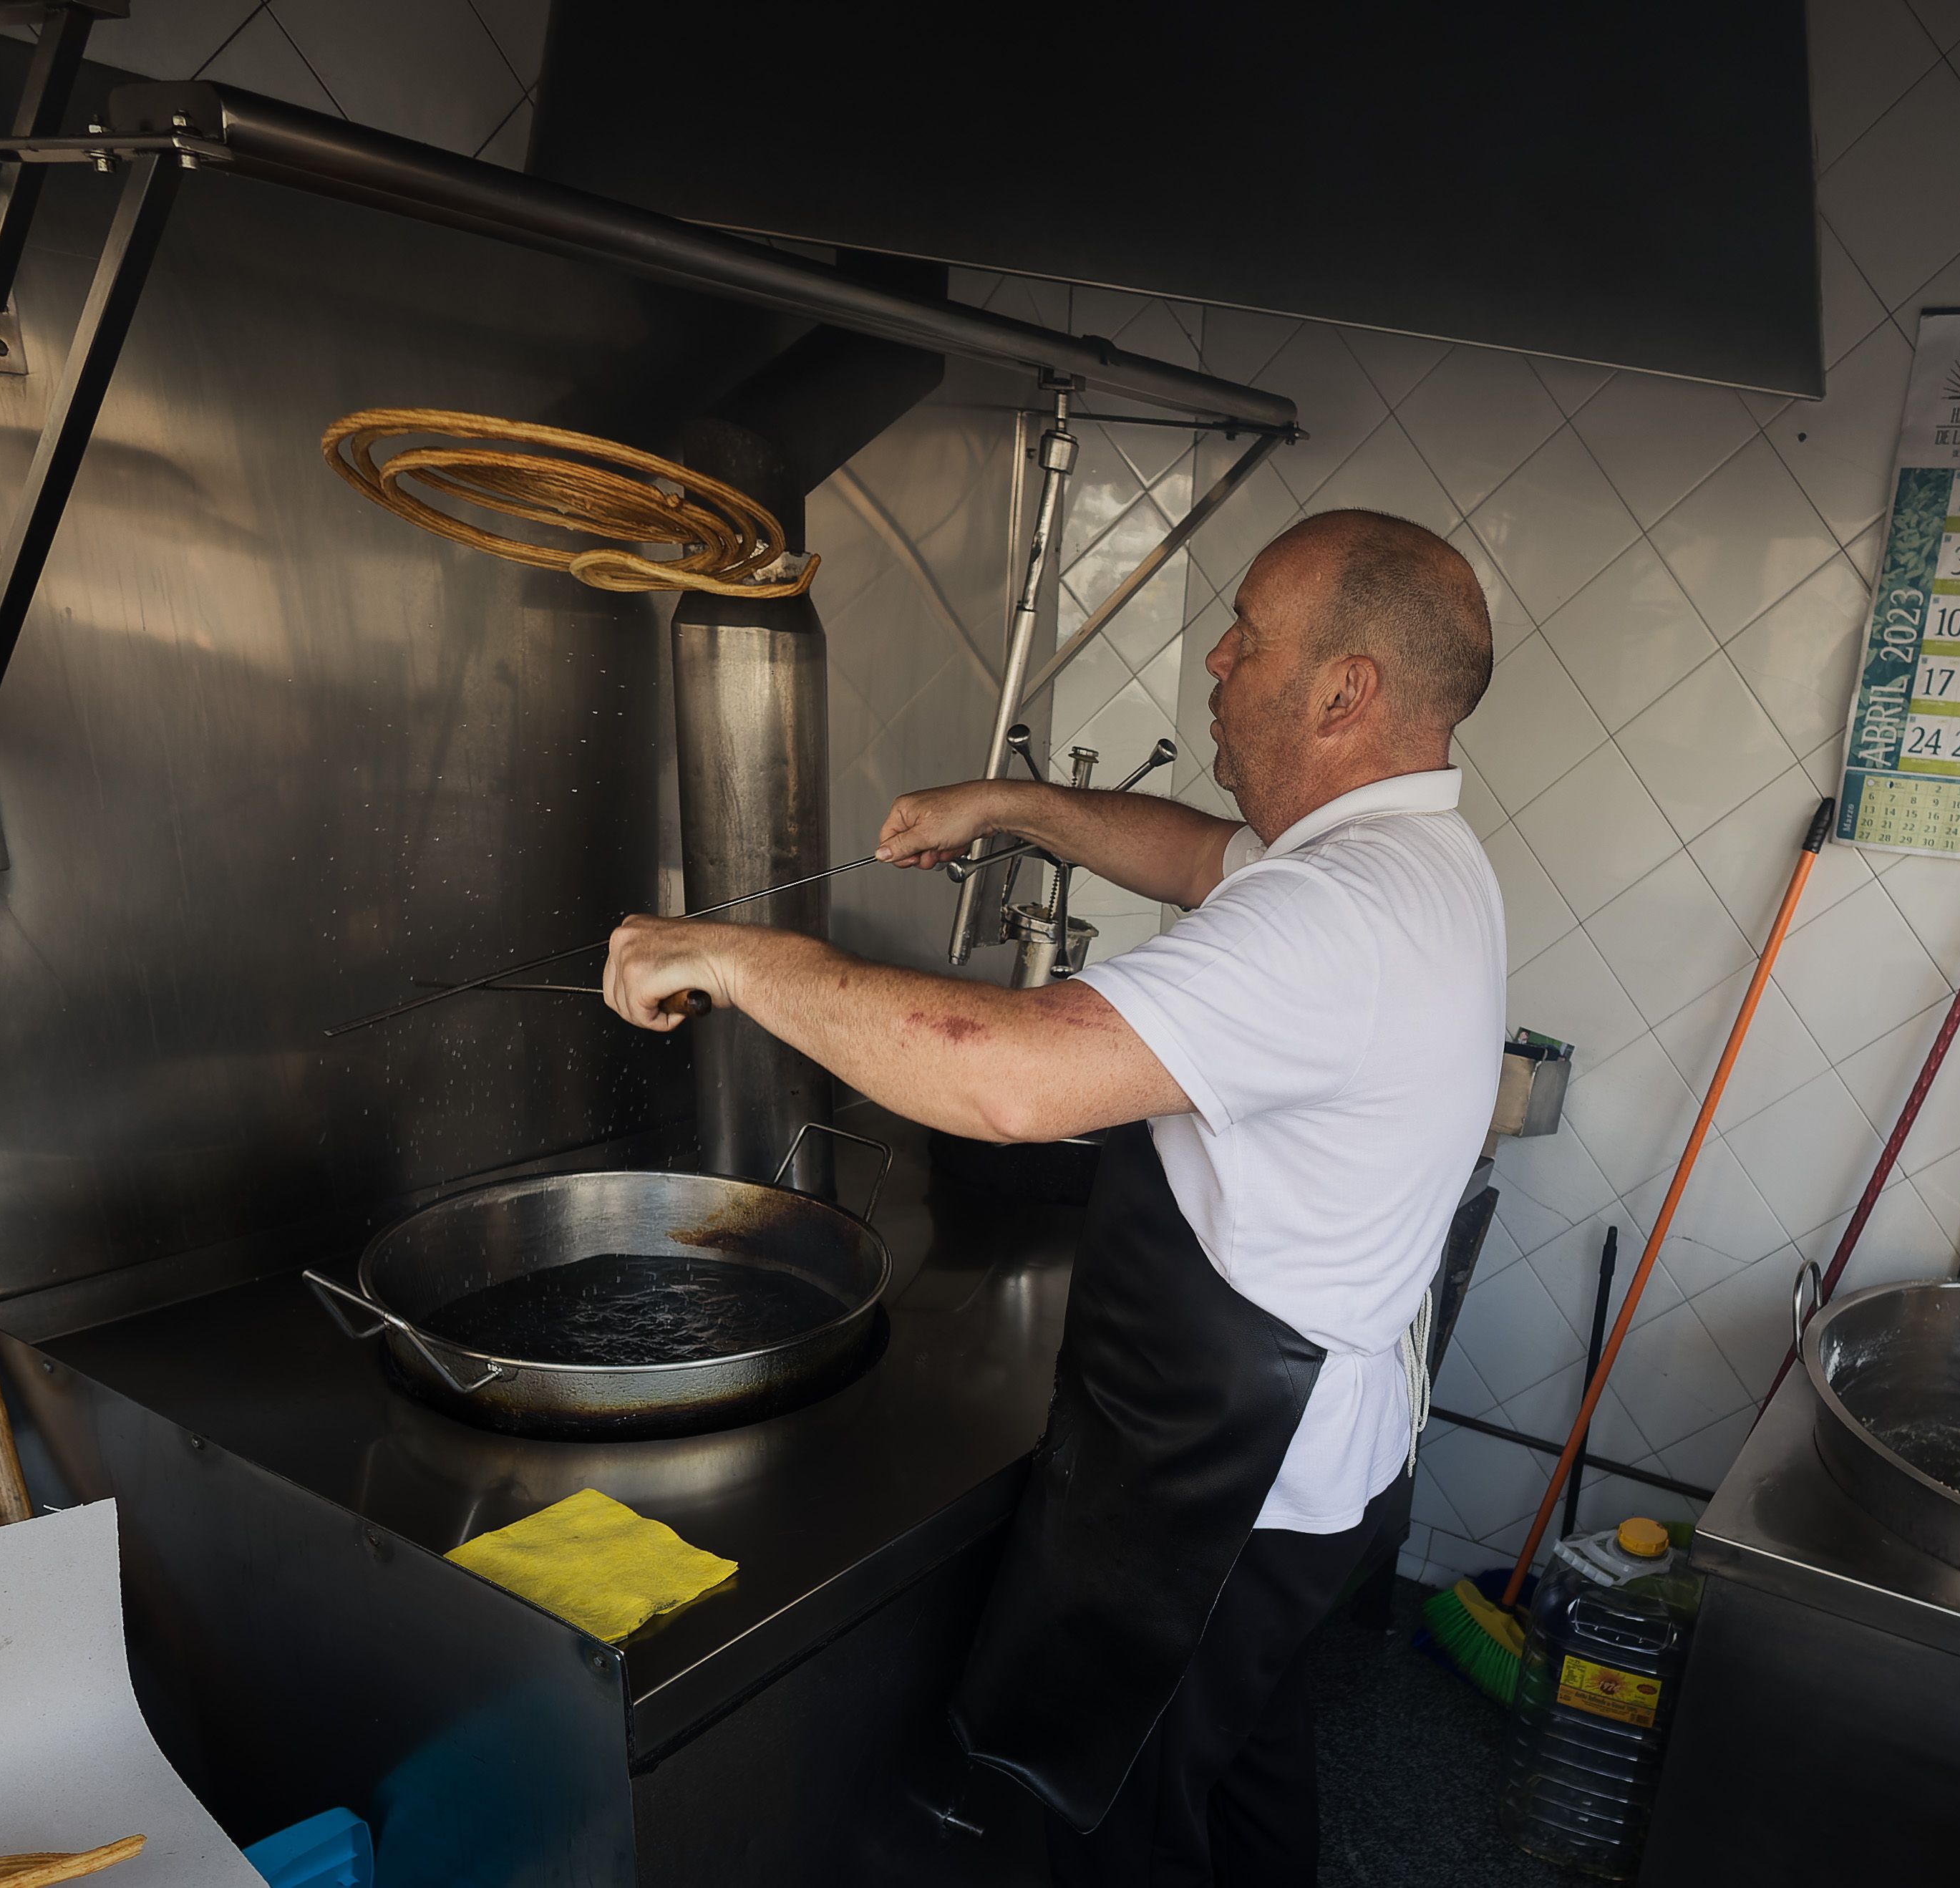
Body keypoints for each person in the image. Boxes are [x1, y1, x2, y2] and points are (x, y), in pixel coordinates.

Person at [601, 508, 1507, 1884]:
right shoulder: (1408, 858)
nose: (1215, 659)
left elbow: (1008, 1078)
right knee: (1249, 1781)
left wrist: (730, 957)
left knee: (1119, 1831)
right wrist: (1013, 806)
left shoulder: (1337, 921)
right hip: (1329, 1465)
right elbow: (1196, 854)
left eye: (1248, 634)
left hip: (1224, 1501)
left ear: (1344, 691)